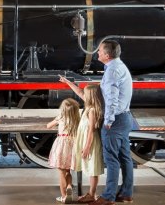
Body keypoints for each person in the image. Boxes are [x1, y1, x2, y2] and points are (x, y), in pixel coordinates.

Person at [90, 40, 134, 205]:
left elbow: (111, 99)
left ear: (107, 55)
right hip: (125, 117)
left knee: (112, 159)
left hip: (115, 121)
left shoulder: (112, 71)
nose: (98, 53)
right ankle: (126, 194)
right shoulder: (119, 66)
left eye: (100, 51)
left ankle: (108, 197)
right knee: (125, 158)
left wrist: (108, 121)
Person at [59, 77, 105, 203]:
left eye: (86, 93)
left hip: (90, 142)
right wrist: (68, 82)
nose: (83, 94)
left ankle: (92, 194)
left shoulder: (93, 111)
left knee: (93, 168)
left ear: (91, 96)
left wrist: (86, 147)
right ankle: (91, 193)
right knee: (90, 168)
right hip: (86, 140)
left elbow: (91, 130)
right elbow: (78, 92)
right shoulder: (90, 105)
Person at [46, 98, 81, 204]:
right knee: (68, 170)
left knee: (61, 172)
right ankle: (69, 185)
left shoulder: (60, 117)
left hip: (62, 145)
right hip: (73, 145)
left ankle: (64, 196)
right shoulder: (77, 119)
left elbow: (48, 126)